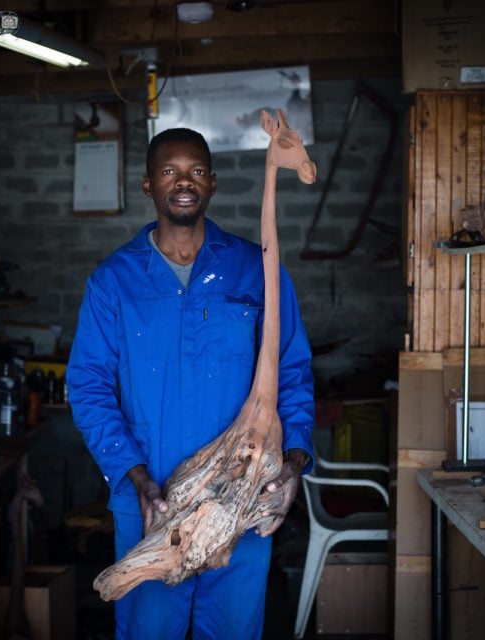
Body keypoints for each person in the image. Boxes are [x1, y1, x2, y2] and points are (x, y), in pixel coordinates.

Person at [66, 127, 315, 640]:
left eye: (197, 171)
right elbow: (88, 385)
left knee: (232, 630)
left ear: (214, 183)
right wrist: (133, 475)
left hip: (242, 493)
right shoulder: (114, 279)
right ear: (147, 185)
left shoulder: (256, 269)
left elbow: (291, 371)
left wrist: (292, 463)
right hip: (149, 501)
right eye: (169, 171)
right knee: (148, 629)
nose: (184, 182)